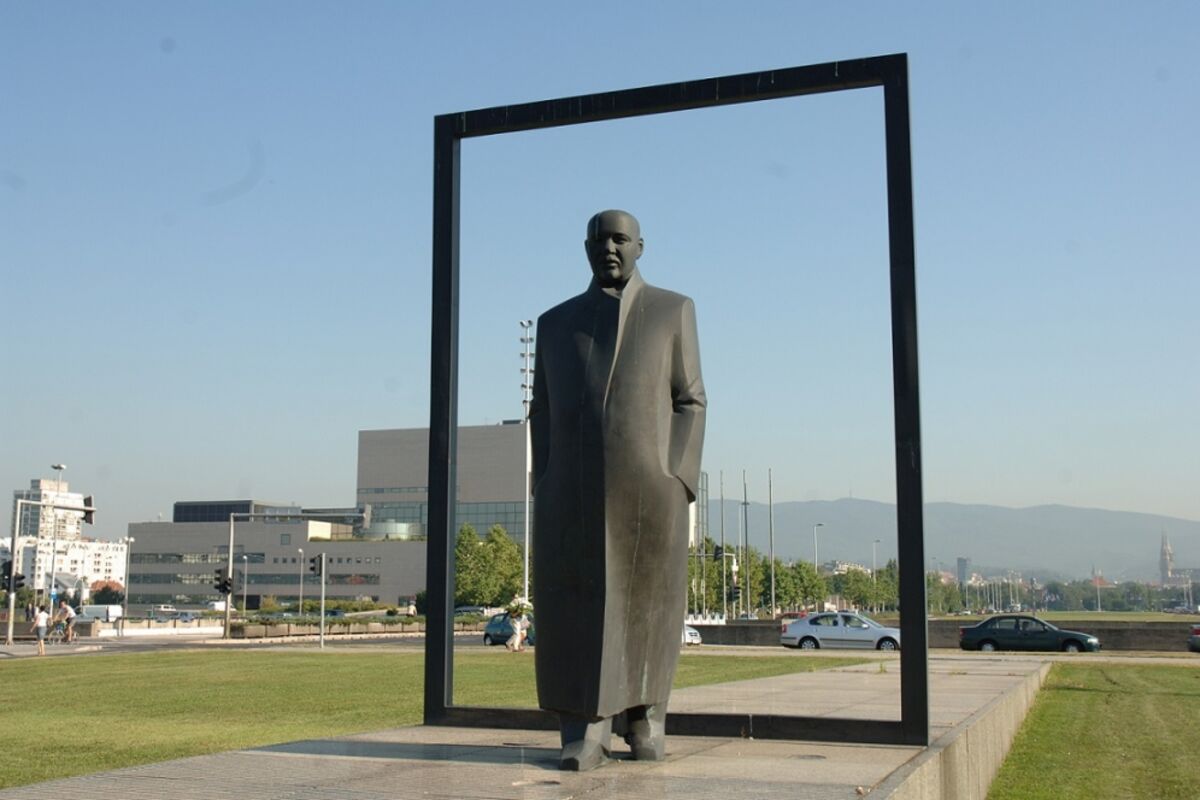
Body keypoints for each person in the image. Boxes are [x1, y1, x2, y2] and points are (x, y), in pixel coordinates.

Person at [530, 209, 706, 771]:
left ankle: (646, 717)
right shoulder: (556, 322)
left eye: (620, 239)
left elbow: (690, 399)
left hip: (652, 488)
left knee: (650, 601)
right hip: (570, 490)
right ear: (586, 248)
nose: (609, 248)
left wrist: (677, 477)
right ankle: (584, 728)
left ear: (640, 247)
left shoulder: (672, 310)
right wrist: (546, 475)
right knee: (575, 603)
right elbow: (541, 409)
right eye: (599, 240)